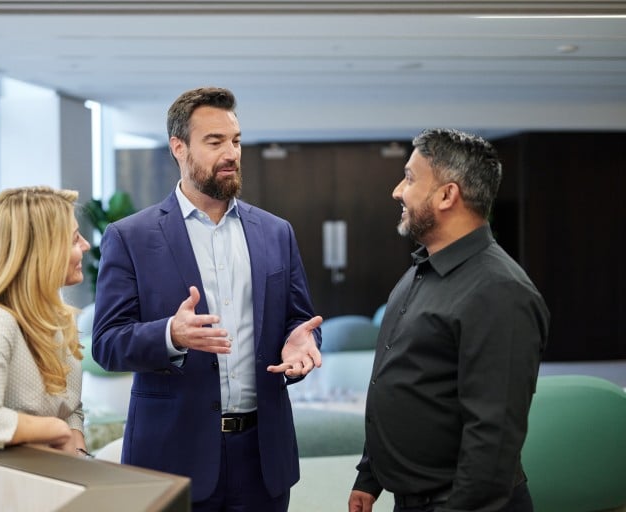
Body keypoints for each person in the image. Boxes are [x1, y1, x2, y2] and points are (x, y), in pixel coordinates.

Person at [92, 86, 323, 511]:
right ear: (179, 148)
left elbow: (299, 320)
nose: (231, 153)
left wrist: (302, 342)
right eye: (214, 142)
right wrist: (170, 335)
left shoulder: (276, 233)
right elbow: (107, 343)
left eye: (235, 141)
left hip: (262, 458)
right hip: (171, 457)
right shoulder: (131, 237)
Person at [349, 129, 550, 512]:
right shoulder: (423, 269)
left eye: (409, 178)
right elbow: (403, 378)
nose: (397, 191)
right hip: (413, 498)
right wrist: (370, 475)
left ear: (447, 195)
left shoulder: (499, 290)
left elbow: (492, 440)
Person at [0, 185, 91, 456]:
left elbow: (69, 408)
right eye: (73, 239)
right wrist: (55, 429)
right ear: (42, 253)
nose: (86, 246)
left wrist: (78, 450)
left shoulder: (58, 320)